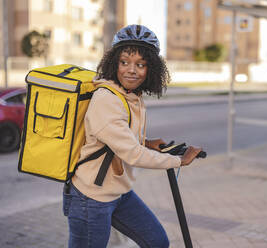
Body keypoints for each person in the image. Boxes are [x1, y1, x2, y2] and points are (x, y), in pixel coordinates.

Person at [63, 24, 202, 248]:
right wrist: (179, 160)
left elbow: (119, 138)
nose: (131, 70)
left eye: (140, 64)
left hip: (120, 193)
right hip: (91, 198)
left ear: (151, 69)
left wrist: (147, 143)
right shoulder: (106, 99)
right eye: (124, 62)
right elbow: (133, 155)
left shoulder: (131, 96)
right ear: (114, 63)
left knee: (156, 242)